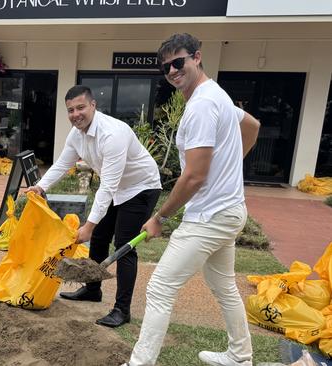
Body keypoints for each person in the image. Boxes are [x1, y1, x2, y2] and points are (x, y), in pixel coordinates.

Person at [124, 33, 261, 366]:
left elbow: (195, 177)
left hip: (210, 216)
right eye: (166, 66)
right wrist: (228, 166)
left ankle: (140, 363)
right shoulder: (218, 96)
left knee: (159, 288)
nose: (172, 70)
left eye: (178, 61)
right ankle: (240, 355)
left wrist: (160, 217)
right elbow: (253, 125)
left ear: (196, 57)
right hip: (229, 211)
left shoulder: (200, 105)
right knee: (223, 285)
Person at [26, 85, 162, 328]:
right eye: (70, 110)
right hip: (118, 188)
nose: (76, 114)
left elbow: (107, 186)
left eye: (81, 107)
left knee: (124, 245)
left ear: (93, 106)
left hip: (141, 187)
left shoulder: (112, 134)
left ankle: (122, 310)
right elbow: (61, 164)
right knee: (99, 238)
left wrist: (87, 225)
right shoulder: (75, 136)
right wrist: (40, 186)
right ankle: (92, 290)